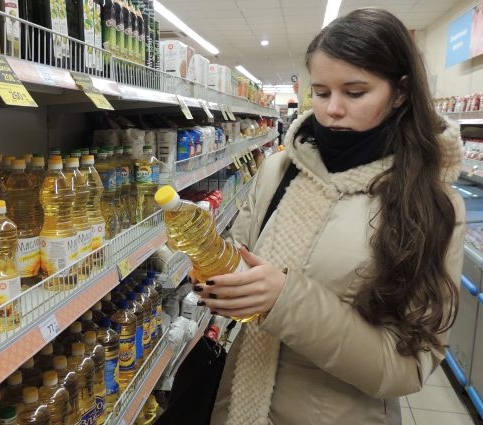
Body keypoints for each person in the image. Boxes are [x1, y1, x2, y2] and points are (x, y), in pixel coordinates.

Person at [193, 8, 466, 425]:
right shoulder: (279, 170)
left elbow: (408, 365)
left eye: (355, 93)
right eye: (321, 93)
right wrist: (216, 273)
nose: (333, 110)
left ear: (401, 92)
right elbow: (242, 256)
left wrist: (287, 301)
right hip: (237, 405)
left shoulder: (429, 202)